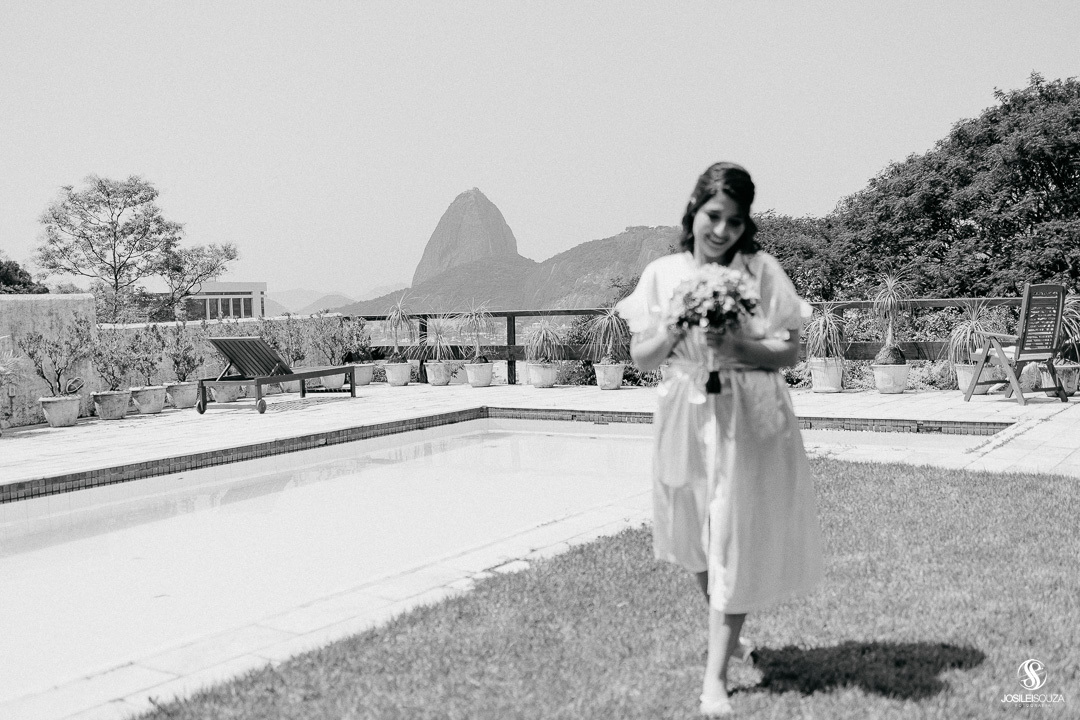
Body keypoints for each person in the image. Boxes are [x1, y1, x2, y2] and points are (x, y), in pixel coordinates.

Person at [615, 162, 824, 716]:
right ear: (694, 209)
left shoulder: (762, 271)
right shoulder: (662, 273)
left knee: (733, 531)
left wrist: (738, 346)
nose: (722, 231)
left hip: (749, 415)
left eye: (734, 221)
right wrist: (680, 323)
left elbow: (789, 350)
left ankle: (715, 679)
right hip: (684, 411)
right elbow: (641, 358)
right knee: (695, 539)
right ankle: (728, 628)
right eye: (713, 216)